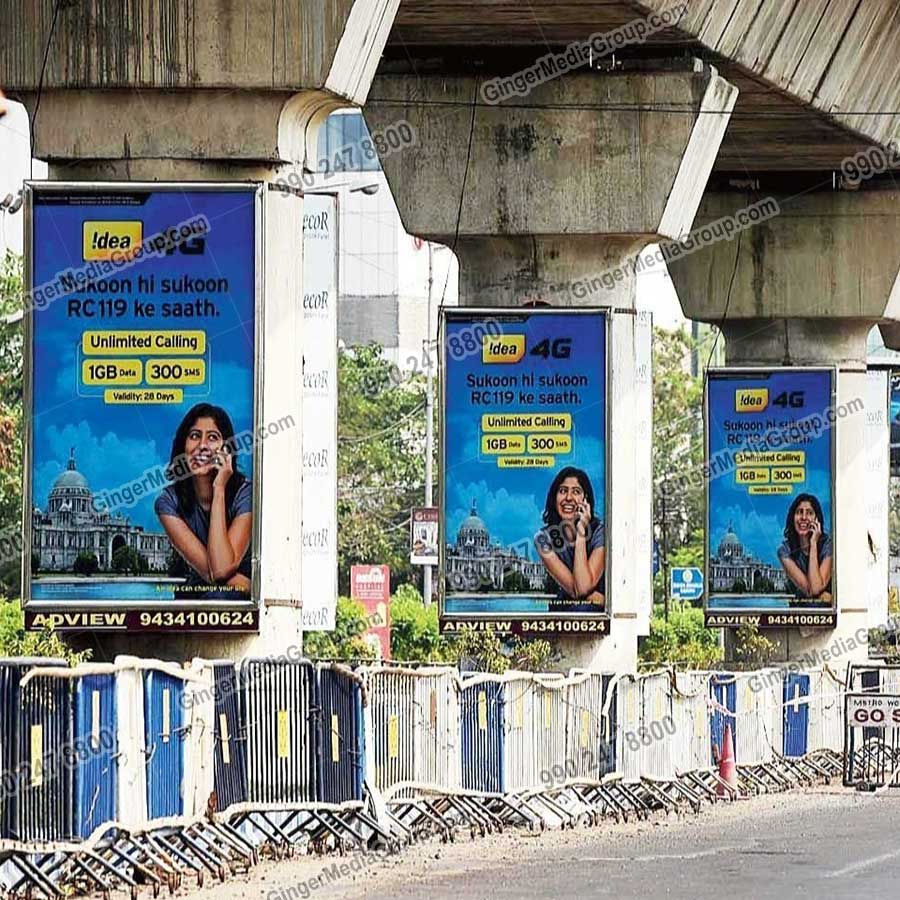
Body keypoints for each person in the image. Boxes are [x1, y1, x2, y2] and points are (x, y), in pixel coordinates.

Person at [155, 403, 252, 598]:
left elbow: (221, 567)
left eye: (213, 438)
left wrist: (219, 487)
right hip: (201, 594)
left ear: (227, 448)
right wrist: (252, 586)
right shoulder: (168, 503)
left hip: (237, 603)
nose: (202, 446)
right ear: (183, 445)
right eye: (194, 436)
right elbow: (216, 573)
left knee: (222, 596)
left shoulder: (246, 494)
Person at [534, 467, 605, 611]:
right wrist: (602, 599)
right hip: (566, 607)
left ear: (586, 500)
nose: (568, 498)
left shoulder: (601, 532)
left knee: (584, 610)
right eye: (563, 491)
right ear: (554, 498)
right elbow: (579, 590)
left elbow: (582, 588)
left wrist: (581, 532)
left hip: (595, 614)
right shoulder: (542, 539)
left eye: (576, 492)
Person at [777, 493, 832, 601]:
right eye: (799, 512)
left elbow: (815, 588)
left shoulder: (829, 545)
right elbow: (813, 590)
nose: (804, 517)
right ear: (792, 518)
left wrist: (813, 543)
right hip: (803, 610)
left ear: (817, 519)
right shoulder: (784, 551)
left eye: (810, 513)